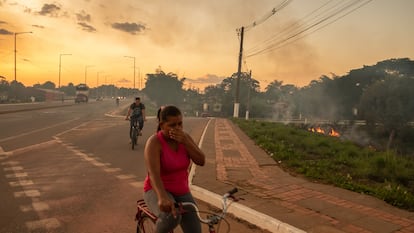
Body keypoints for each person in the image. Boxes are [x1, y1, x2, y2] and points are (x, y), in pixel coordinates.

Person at [143, 105, 206, 233]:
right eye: (172, 125)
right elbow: (154, 174)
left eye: (180, 124)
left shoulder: (185, 138)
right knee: (172, 217)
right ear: (162, 125)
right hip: (157, 190)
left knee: (195, 230)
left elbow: (201, 161)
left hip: (181, 191)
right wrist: (161, 197)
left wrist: (186, 142)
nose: (177, 128)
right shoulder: (154, 142)